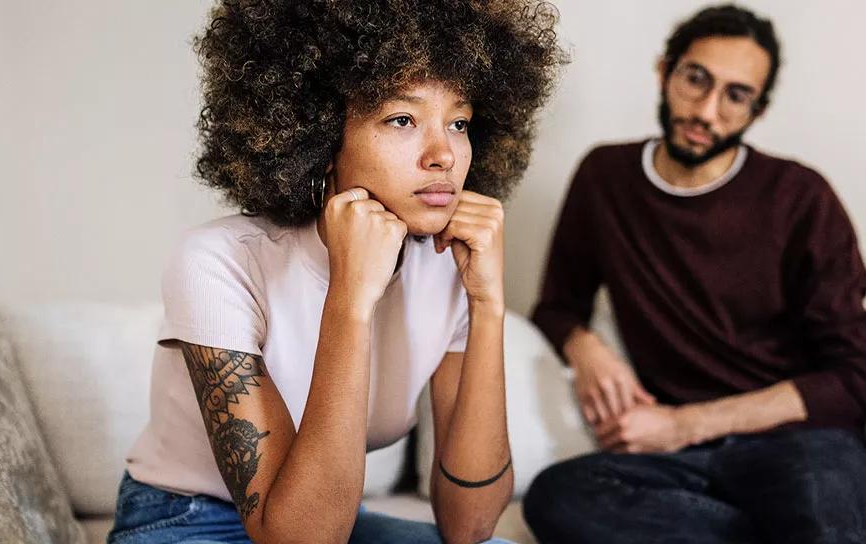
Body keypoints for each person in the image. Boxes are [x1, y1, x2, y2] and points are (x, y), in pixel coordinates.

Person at [107, 1, 564, 543]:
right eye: (403, 119)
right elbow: (298, 540)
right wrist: (350, 298)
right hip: (187, 521)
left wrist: (487, 304)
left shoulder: (446, 263)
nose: (443, 154)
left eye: (459, 122)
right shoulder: (219, 261)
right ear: (321, 137)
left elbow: (469, 528)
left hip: (326, 515)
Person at [524, 4, 866, 543]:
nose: (707, 112)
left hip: (801, 445)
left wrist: (681, 425)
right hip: (682, 464)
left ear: (756, 112)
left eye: (735, 96)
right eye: (696, 79)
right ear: (664, 70)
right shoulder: (605, 177)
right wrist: (586, 348)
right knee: (559, 496)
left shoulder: (801, 198)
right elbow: (557, 306)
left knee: (823, 510)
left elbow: (854, 380)